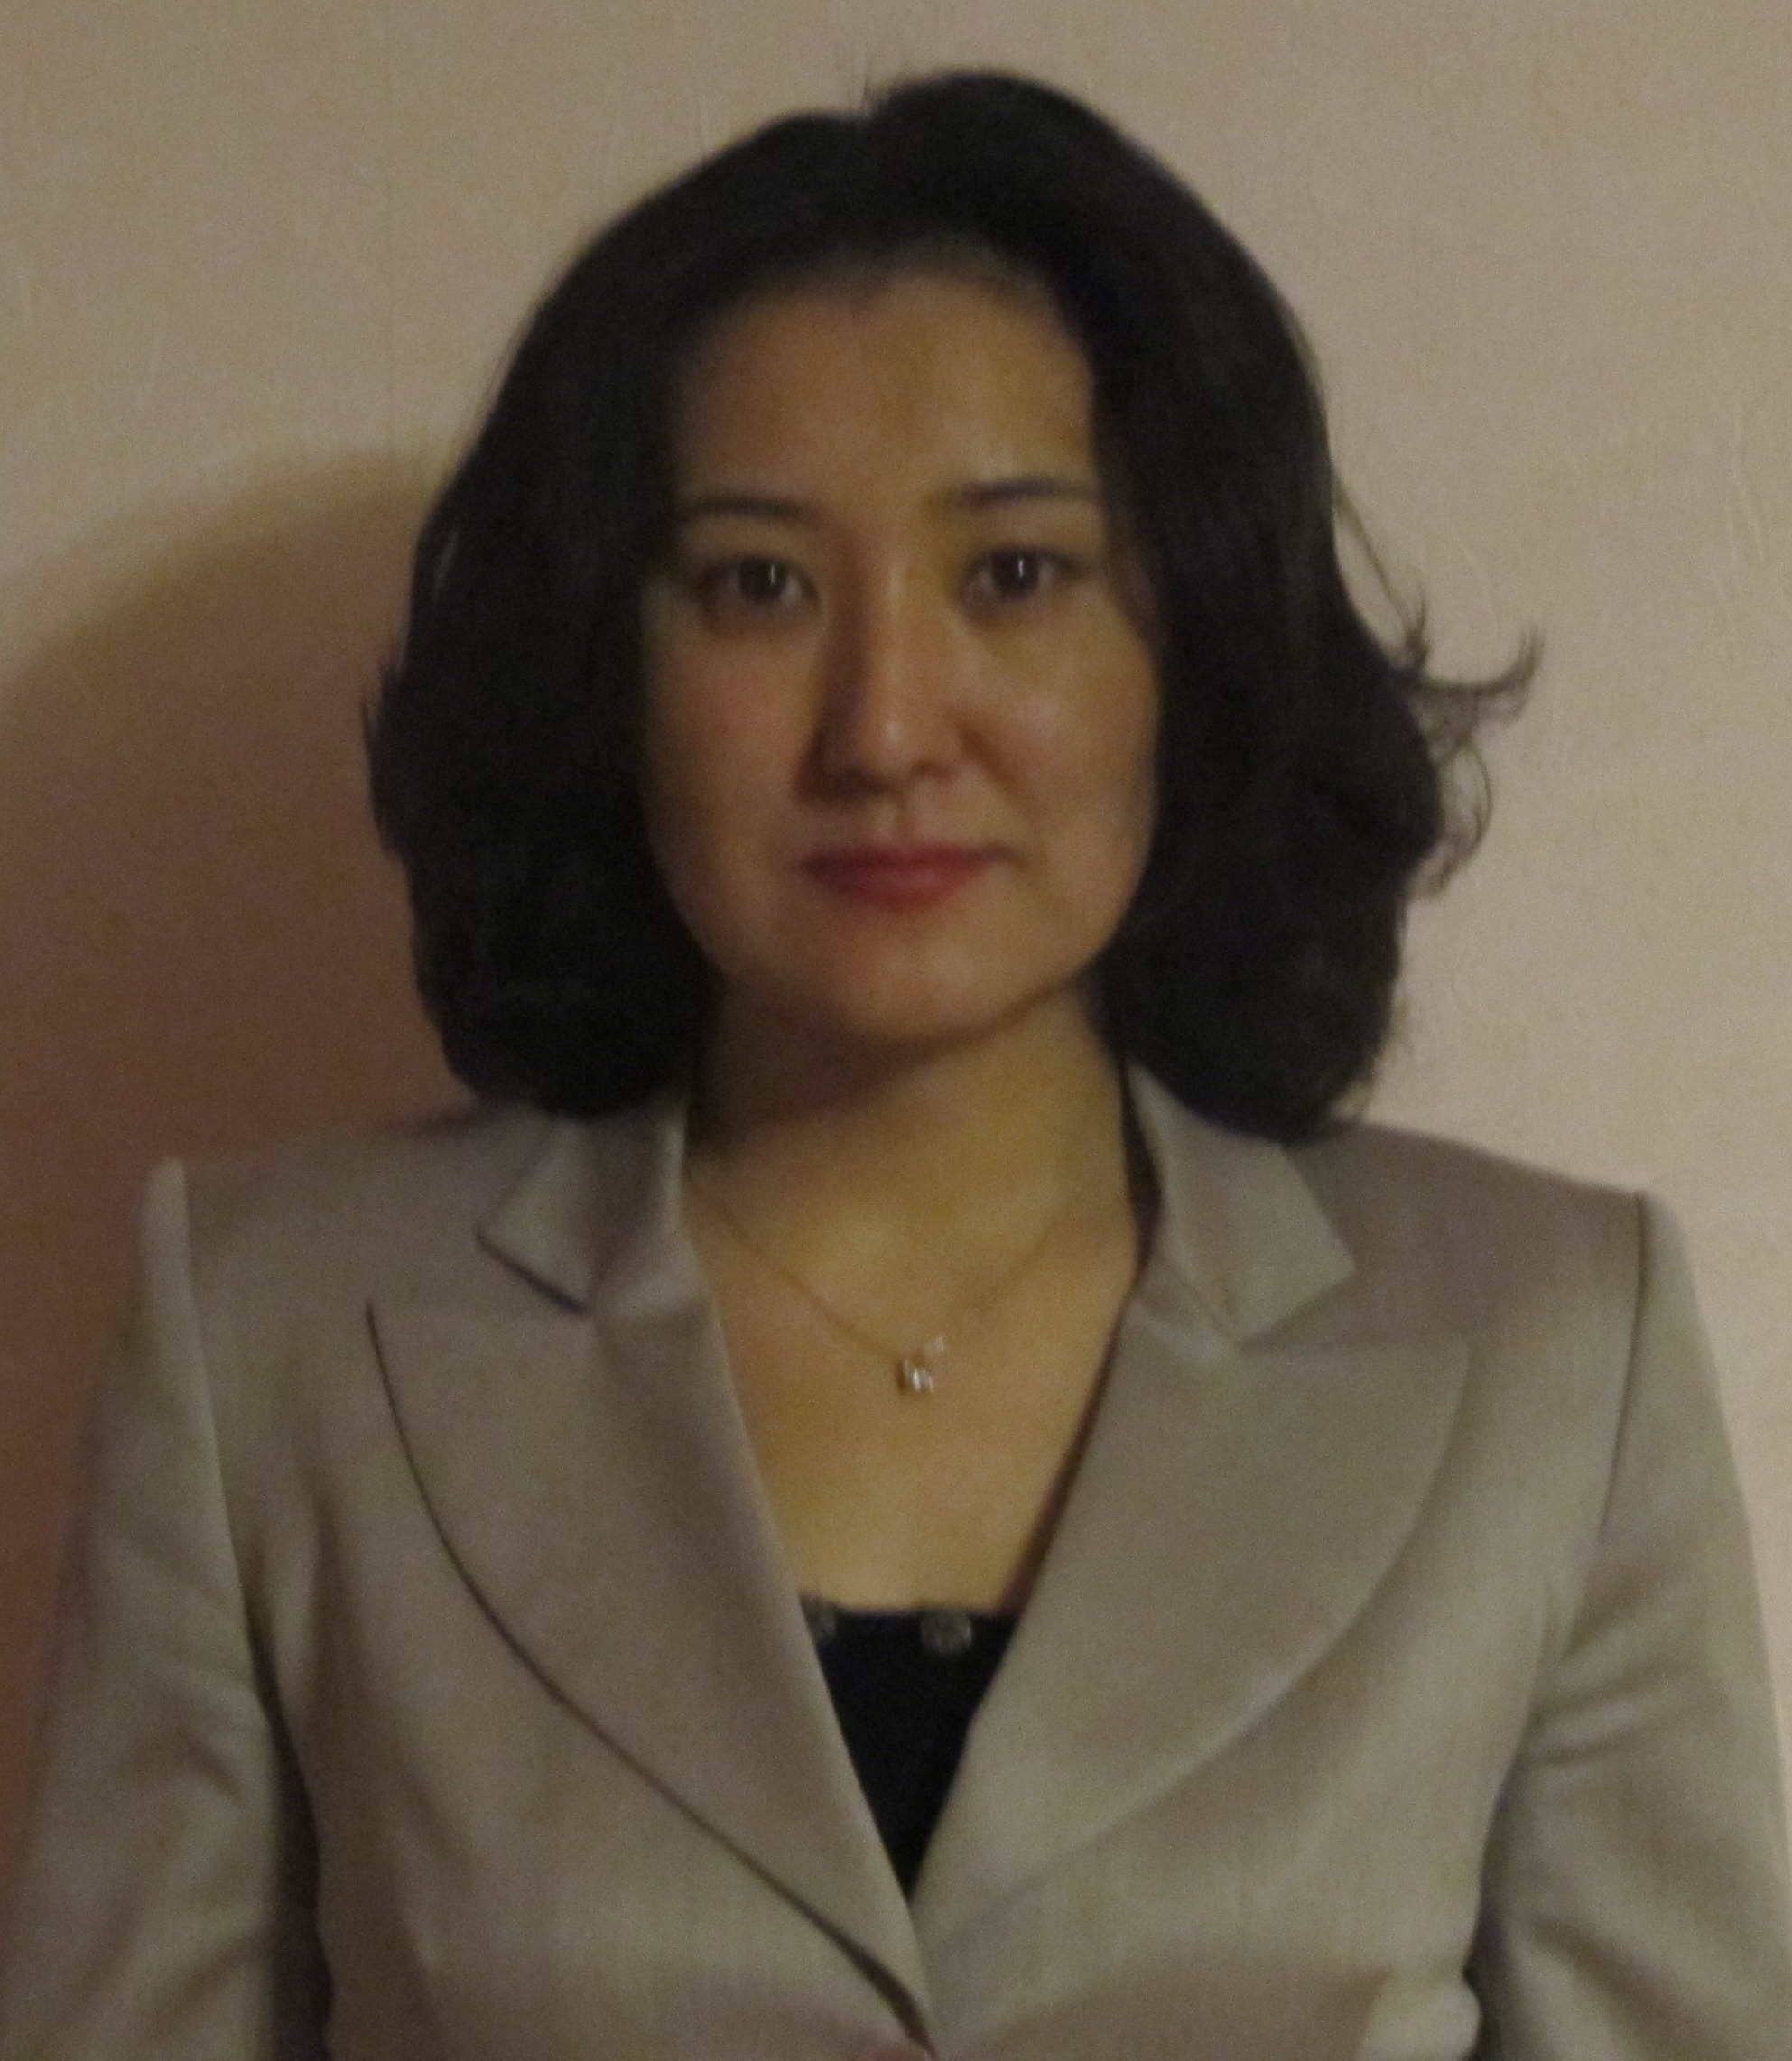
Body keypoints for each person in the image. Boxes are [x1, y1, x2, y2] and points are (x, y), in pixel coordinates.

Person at [3, 69, 1787, 2061]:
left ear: (1192, 646)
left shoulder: (1552, 1354)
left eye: (1014, 573)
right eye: (756, 585)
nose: (882, 725)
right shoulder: (272, 1339)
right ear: (612, 667)